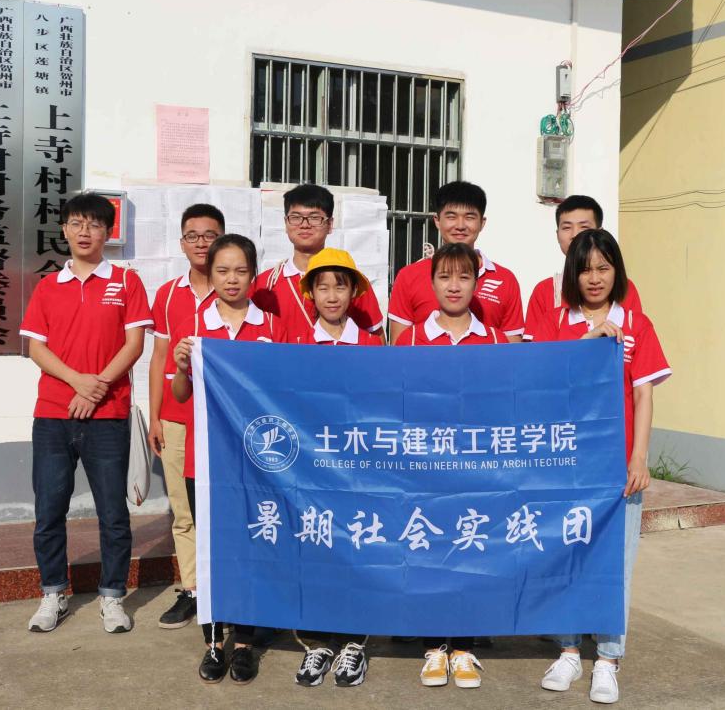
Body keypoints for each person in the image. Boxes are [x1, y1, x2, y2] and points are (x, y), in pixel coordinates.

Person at [531, 228, 671, 705]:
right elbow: (540, 384)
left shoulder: (637, 323)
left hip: (617, 470)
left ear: (617, 272)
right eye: (586, 269)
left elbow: (643, 394)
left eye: (604, 268)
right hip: (565, 466)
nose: (594, 278)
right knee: (567, 558)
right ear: (572, 273)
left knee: (616, 565)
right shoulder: (555, 322)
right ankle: (569, 651)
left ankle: (609, 660)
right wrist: (588, 342)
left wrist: (639, 458)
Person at [19, 192, 152, 634]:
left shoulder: (126, 282)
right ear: (64, 229)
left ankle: (112, 596)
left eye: (94, 225)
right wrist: (79, 381)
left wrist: (95, 391)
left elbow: (134, 345)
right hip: (52, 416)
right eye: (76, 223)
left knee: (113, 513)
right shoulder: (47, 286)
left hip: (108, 416)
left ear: (107, 233)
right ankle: (53, 592)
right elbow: (36, 347)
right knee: (49, 510)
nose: (84, 232)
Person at [172, 234, 283, 685]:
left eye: (240, 271)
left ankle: (245, 643)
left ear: (253, 274)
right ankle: (214, 642)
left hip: (258, 461)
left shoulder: (272, 326)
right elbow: (181, 395)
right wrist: (182, 366)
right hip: (206, 460)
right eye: (222, 271)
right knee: (212, 550)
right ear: (210, 274)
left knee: (254, 547)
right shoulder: (195, 327)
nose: (231, 279)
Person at [394, 242, 505, 689]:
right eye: (444, 277)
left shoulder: (494, 340)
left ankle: (463, 648)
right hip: (425, 470)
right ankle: (434, 647)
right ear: (432, 282)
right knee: (430, 553)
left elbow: (507, 403)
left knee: (471, 552)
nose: (454, 286)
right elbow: (396, 405)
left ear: (476, 282)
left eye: (463, 277)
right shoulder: (410, 339)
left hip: (477, 471)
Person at [285, 248, 379, 688]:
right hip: (311, 473)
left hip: (360, 473)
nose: (331, 295)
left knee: (357, 552)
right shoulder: (296, 346)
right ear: (311, 294)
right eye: (322, 287)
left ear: (354, 291)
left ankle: (354, 644)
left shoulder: (374, 347)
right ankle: (317, 643)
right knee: (316, 552)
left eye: (340, 286)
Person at [147, 203, 224, 629]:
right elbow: (158, 357)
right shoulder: (167, 294)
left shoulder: (235, 290)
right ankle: (193, 589)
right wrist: (155, 416)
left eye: (210, 235)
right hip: (177, 417)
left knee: (226, 509)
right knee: (184, 511)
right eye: (193, 236)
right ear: (181, 243)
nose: (201, 243)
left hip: (224, 419)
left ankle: (226, 590)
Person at [388, 181, 525, 345]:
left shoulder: (505, 279)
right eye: (451, 217)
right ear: (437, 221)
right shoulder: (409, 276)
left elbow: (511, 352)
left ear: (482, 223)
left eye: (469, 217)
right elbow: (400, 348)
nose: (460, 226)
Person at [251, 183, 385, 340]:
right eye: (296, 217)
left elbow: (376, 339)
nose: (305, 225)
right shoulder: (264, 286)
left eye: (314, 218)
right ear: (286, 223)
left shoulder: (350, 280)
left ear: (330, 224)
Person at [523, 195, 641, 340]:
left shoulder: (626, 289)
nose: (575, 235)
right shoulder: (544, 292)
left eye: (584, 227)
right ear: (557, 234)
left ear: (600, 232)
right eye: (567, 227)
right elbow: (535, 351)